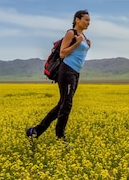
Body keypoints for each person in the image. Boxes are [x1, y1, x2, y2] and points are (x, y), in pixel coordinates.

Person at [26, 10, 91, 141]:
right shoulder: (71, 33)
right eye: (86, 20)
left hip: (75, 72)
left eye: (89, 21)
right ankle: (60, 137)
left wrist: (87, 45)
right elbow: (62, 53)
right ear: (77, 20)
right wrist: (78, 43)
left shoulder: (83, 36)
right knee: (66, 104)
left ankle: (36, 130)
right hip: (67, 71)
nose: (88, 23)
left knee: (62, 103)